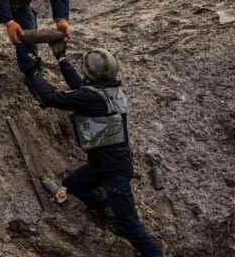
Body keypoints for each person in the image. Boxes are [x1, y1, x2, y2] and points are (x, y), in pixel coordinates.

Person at [24, 43, 163, 257]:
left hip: (113, 172)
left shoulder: (91, 99)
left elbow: (50, 98)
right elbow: (81, 87)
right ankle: (106, 206)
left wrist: (33, 73)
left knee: (132, 228)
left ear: (91, 73)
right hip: (102, 166)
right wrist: (61, 59)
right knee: (71, 186)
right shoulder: (110, 90)